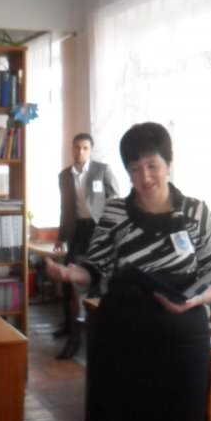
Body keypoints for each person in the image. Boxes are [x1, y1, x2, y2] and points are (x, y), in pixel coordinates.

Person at [46, 122, 211, 421]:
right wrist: (73, 273)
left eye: (152, 166)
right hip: (122, 339)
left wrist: (197, 299)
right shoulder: (116, 212)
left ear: (168, 164)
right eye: (135, 168)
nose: (144, 177)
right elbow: (97, 268)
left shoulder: (196, 213)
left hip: (182, 342)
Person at [53, 133, 118, 360]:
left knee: (97, 282)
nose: (80, 152)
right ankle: (68, 328)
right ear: (71, 149)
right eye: (76, 148)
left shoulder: (102, 170)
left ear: (90, 150)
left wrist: (113, 232)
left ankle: (88, 335)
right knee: (68, 279)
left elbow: (115, 201)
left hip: (98, 231)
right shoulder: (64, 176)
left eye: (84, 148)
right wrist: (61, 236)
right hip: (77, 231)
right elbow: (65, 208)